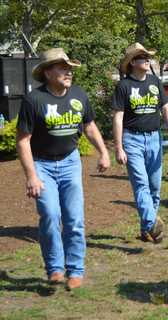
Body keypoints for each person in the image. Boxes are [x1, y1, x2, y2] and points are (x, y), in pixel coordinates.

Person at [16, 48, 110, 289]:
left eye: (69, 68)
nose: (68, 72)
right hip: (42, 165)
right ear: (47, 73)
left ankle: (75, 269)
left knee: (75, 219)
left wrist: (104, 152)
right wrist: (31, 177)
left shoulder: (79, 95)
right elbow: (23, 140)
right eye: (62, 67)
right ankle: (55, 267)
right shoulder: (34, 100)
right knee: (49, 215)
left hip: (70, 162)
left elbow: (89, 126)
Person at [112, 43, 168, 243]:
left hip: (154, 139)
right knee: (141, 184)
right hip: (132, 140)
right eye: (142, 57)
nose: (147, 59)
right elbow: (117, 118)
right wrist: (118, 147)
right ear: (132, 62)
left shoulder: (154, 81)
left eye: (147, 56)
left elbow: (166, 109)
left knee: (155, 187)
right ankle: (153, 224)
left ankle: (146, 229)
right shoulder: (123, 86)